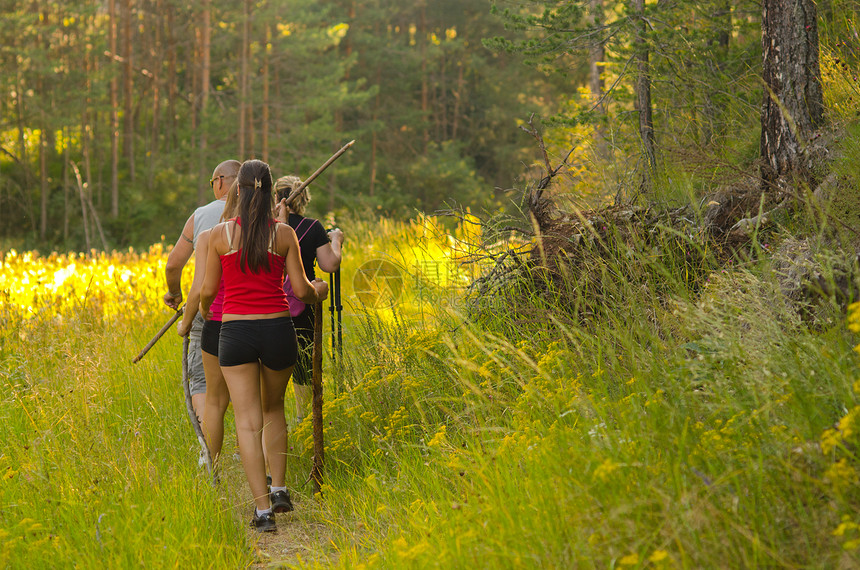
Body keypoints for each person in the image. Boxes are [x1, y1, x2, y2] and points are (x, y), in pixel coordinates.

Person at [201, 159, 328, 533]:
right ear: (272, 193)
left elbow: (208, 292)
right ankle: (280, 488)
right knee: (274, 408)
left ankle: (262, 512)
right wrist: (319, 291)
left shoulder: (220, 236)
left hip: (235, 334)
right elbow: (303, 291)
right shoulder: (283, 234)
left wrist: (208, 315)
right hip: (277, 330)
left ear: (237, 189)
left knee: (246, 420)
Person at [164, 160, 241, 423]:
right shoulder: (260, 213)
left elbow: (174, 264)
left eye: (213, 183)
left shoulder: (201, 215)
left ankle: (207, 451)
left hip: (208, 309)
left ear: (220, 181)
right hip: (250, 307)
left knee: (201, 382)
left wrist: (174, 294)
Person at [176, 181, 239, 467]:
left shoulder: (209, 232)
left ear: (222, 184)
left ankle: (209, 460)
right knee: (254, 401)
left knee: (210, 393)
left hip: (216, 318)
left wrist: (191, 317)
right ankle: (269, 479)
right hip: (259, 319)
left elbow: (201, 288)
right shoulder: (273, 228)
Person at [274, 175, 344, 424]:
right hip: (302, 301)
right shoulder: (312, 228)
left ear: (277, 198)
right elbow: (330, 264)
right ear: (303, 199)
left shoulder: (265, 226)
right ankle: (303, 418)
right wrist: (336, 240)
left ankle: (272, 418)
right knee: (304, 361)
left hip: (269, 300)